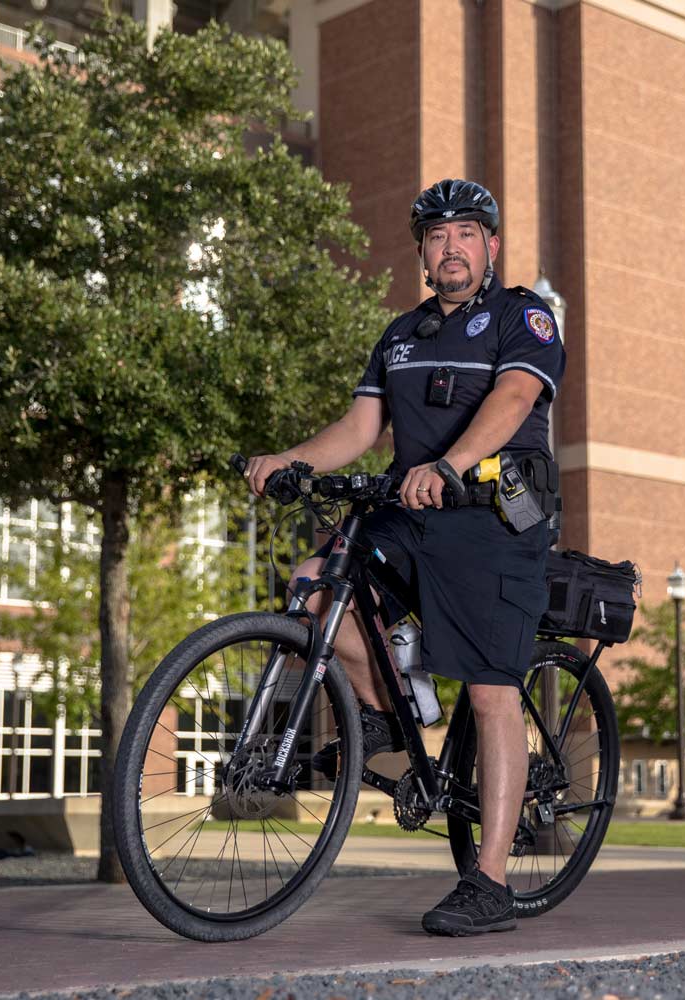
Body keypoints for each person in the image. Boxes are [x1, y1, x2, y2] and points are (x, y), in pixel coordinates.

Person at [244, 178, 564, 936]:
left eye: (465, 233)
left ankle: (488, 883)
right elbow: (361, 428)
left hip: (494, 516)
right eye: (435, 236)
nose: (449, 246)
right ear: (422, 252)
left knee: (490, 692)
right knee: (314, 586)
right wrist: (292, 459)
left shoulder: (524, 317)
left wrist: (451, 464)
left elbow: (514, 399)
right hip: (411, 511)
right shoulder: (401, 334)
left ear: (490, 246)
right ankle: (387, 726)